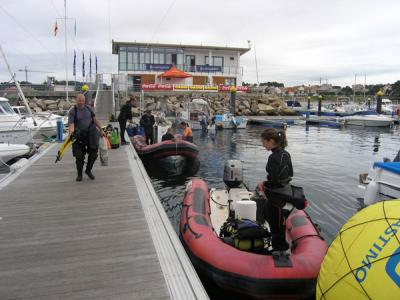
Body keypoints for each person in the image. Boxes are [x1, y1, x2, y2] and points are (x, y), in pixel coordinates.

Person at [257, 128, 293, 252]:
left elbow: (274, 181)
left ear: (271, 141)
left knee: (274, 222)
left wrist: (264, 183)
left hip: (276, 196)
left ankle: (278, 249)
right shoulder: (285, 154)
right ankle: (281, 244)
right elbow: (290, 174)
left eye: (264, 141)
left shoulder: (273, 157)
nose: (263, 144)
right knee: (278, 220)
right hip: (285, 193)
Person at [68, 94, 104, 182]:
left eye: (82, 100)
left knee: (93, 154)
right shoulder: (73, 111)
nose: (81, 102)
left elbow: (95, 119)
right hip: (78, 136)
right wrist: (71, 134)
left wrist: (101, 129)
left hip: (91, 134)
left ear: (84, 101)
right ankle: (79, 174)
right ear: (76, 100)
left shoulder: (88, 108)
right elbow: (71, 125)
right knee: (79, 157)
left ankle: (88, 170)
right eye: (79, 100)